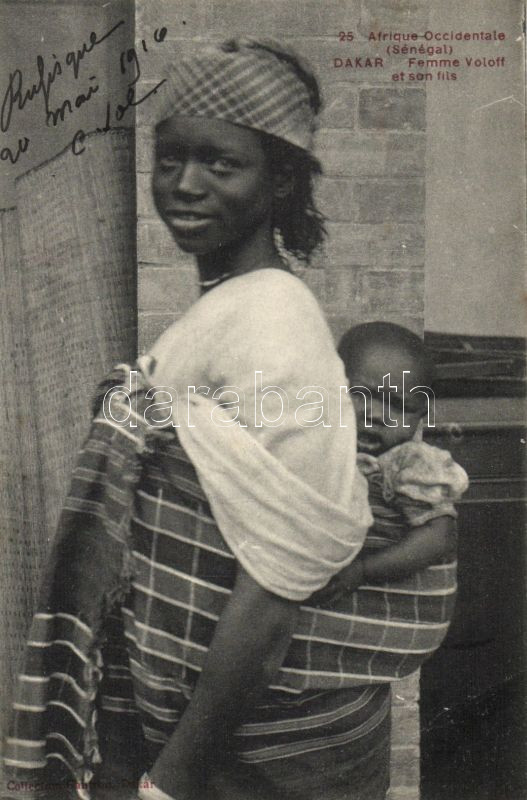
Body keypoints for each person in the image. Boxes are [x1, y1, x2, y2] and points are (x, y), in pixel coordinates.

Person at [4, 38, 375, 800]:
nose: (184, 185)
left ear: (278, 180)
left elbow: (279, 580)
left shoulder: (273, 319)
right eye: (169, 161)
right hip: (180, 721)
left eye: (220, 163)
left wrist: (168, 784)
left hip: (243, 756)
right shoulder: (226, 308)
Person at [314, 321, 469, 607]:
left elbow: (438, 537)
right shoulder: (318, 447)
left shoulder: (410, 463)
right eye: (359, 394)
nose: (376, 415)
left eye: (398, 406)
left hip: (384, 600)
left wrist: (362, 571)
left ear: (420, 416)